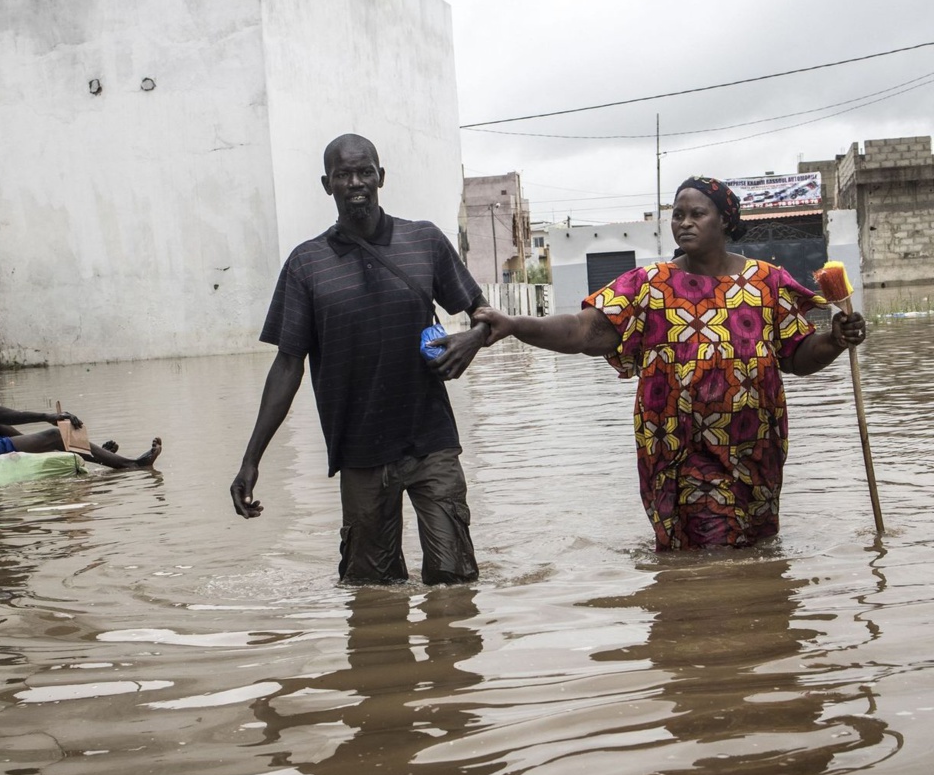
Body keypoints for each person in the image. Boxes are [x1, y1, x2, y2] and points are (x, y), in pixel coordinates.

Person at [474, 175, 867, 550]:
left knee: (752, 545)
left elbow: (797, 357)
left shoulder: (767, 282)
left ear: (726, 221)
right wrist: (514, 324)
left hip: (755, 446)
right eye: (678, 215)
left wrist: (833, 340)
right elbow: (581, 331)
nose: (685, 223)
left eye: (698, 214)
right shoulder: (649, 284)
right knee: (713, 545)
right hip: (680, 448)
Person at [230, 133, 491, 585]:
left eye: (364, 171)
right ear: (326, 184)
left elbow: (484, 315)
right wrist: (252, 459)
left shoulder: (423, 240)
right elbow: (287, 366)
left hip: (431, 442)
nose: (356, 182)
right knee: (372, 591)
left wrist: (472, 339)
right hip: (360, 453)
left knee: (454, 582)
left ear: (381, 177)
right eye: (343, 174)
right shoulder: (306, 265)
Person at [0, 311, 162, 469]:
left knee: (51, 440)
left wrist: (33, 442)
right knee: (56, 435)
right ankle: (134, 465)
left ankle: (92, 455)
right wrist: (46, 417)